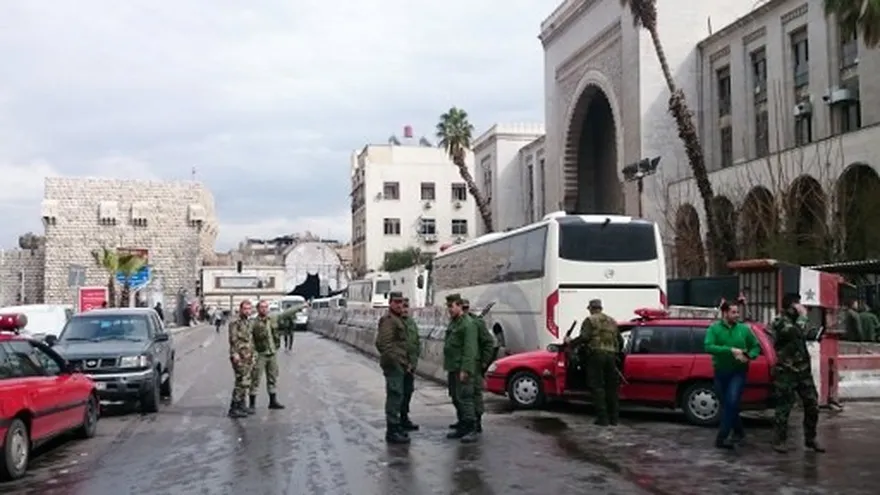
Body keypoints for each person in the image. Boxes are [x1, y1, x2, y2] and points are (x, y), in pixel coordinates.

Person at [770, 293, 825, 453]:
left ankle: (810, 438)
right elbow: (793, 333)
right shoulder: (780, 321)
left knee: (812, 405)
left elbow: (803, 334)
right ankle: (779, 440)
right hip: (786, 371)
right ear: (791, 306)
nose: (801, 306)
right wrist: (802, 317)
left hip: (803, 371)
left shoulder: (796, 322)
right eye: (797, 304)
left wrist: (814, 333)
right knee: (784, 408)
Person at [704, 302, 761, 449]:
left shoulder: (744, 329)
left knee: (731, 401)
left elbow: (755, 346)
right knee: (728, 404)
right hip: (721, 372)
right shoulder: (714, 329)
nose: (737, 315)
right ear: (725, 313)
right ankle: (739, 432)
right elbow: (708, 346)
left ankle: (722, 438)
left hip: (739, 372)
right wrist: (730, 350)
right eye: (733, 312)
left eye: (737, 312)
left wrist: (749, 356)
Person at [566, 299, 621, 426]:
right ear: (601, 308)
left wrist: (571, 342)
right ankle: (614, 419)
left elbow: (585, 337)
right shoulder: (612, 321)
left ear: (591, 308)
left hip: (596, 356)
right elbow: (619, 341)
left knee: (597, 386)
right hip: (611, 356)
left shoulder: (590, 320)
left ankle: (603, 419)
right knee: (611, 388)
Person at [375, 291, 411, 444]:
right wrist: (394, 361)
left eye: (401, 302)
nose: (399, 305)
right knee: (394, 396)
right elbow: (383, 343)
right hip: (393, 364)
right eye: (396, 302)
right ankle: (392, 429)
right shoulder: (389, 320)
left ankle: (396, 427)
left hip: (400, 363)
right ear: (390, 303)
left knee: (399, 396)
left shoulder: (398, 319)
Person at [443, 294, 480, 443]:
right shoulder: (455, 323)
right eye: (448, 307)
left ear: (459, 306)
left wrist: (466, 369)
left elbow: (469, 349)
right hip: (453, 366)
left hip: (462, 367)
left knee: (466, 398)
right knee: (456, 397)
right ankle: (462, 425)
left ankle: (471, 428)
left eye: (451, 307)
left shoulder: (467, 324)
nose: (449, 310)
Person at [460, 299, 495, 434]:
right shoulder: (460, 323)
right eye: (462, 308)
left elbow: (488, 343)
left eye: (466, 308)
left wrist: (484, 362)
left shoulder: (477, 323)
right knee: (463, 395)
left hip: (475, 364)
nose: (464, 311)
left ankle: (476, 422)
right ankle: (465, 421)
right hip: (463, 364)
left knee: (474, 394)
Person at [248, 300, 285, 412]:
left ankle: (273, 401)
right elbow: (250, 338)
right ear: (258, 309)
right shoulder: (253, 322)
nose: (264, 309)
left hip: (272, 353)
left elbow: (287, 313)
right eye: (262, 307)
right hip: (260, 354)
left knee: (272, 377)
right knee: (256, 378)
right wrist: (252, 352)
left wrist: (303, 305)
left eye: (266, 307)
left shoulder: (271, 320)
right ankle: (252, 404)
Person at [228, 300, 255, 418]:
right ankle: (234, 407)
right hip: (239, 356)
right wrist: (235, 354)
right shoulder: (235, 322)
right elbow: (233, 340)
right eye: (245, 309)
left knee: (246, 381)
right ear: (240, 309)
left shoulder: (248, 322)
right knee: (241, 382)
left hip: (248, 356)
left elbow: (250, 339)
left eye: (249, 309)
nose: (247, 311)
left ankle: (242, 405)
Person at [400, 297, 420, 432]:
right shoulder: (395, 323)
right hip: (400, 366)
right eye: (403, 306)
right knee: (398, 394)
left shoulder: (412, 323)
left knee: (408, 392)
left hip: (410, 367)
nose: (405, 309)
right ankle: (397, 422)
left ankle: (404, 417)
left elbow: (416, 343)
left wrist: (413, 363)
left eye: (407, 306)